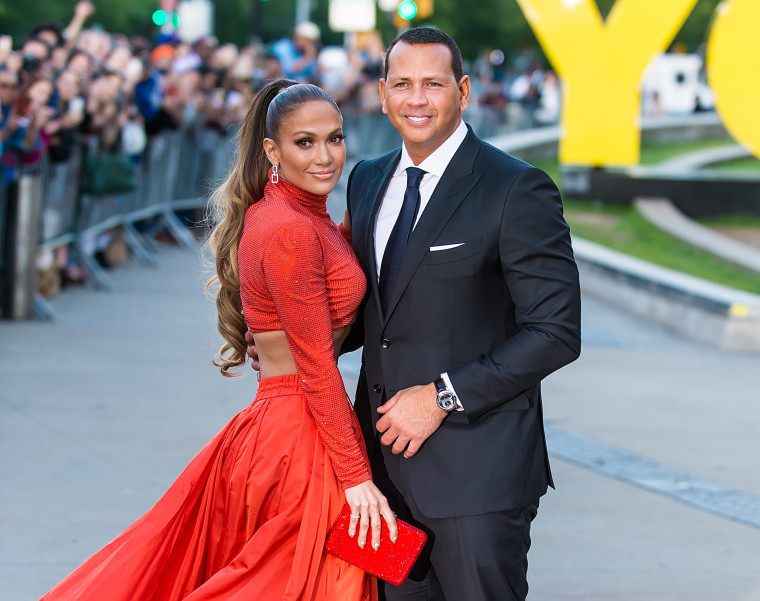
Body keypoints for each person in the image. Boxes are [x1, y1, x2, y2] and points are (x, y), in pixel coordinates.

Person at [252, 27, 582, 601]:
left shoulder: (517, 188)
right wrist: (296, 339)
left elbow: (555, 332)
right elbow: (376, 311)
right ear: (382, 95)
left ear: (464, 90)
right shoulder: (367, 178)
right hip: (378, 476)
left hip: (477, 476)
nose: (418, 99)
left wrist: (442, 395)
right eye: (403, 84)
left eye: (433, 83)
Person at [40, 79, 397, 601]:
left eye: (335, 138)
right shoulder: (288, 229)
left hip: (285, 426)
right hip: (300, 435)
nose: (326, 156)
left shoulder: (300, 216)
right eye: (306, 142)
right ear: (272, 150)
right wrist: (357, 477)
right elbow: (317, 364)